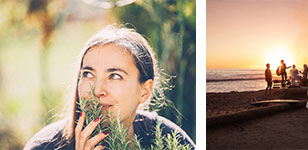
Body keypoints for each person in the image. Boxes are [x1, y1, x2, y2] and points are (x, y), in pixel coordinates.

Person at [24, 25, 195, 149]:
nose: (98, 90)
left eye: (114, 76)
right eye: (88, 74)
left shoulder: (169, 140)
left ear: (145, 91)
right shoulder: (44, 146)